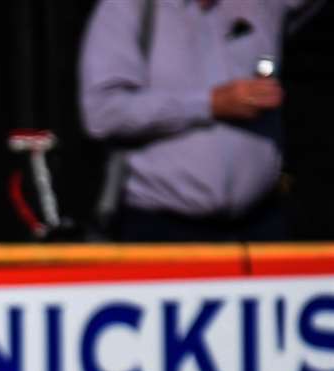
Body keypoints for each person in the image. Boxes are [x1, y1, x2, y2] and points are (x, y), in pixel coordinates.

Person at [80, 0, 323, 242]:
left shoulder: (262, 5)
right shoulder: (129, 8)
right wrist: (210, 104)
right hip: (162, 229)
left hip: (261, 225)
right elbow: (103, 113)